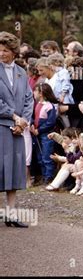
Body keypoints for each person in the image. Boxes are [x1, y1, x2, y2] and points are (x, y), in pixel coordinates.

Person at [0, 31, 34, 228]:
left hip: (17, 130)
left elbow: (29, 99)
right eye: (0, 50)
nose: (2, 53)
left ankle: (11, 214)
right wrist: (13, 116)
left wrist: (23, 122)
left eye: (5, 50)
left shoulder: (21, 72)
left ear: (13, 51)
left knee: (13, 171)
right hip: (2, 125)